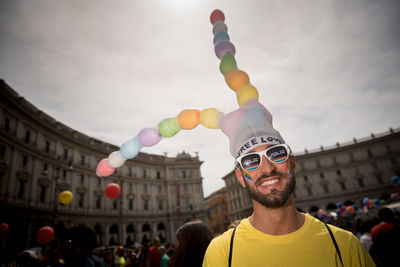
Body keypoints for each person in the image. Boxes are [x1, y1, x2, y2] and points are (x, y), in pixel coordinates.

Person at [202, 100, 376, 266]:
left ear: (292, 163)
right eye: (251, 160)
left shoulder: (345, 245)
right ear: (240, 177)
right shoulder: (222, 253)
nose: (268, 168)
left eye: (276, 153)